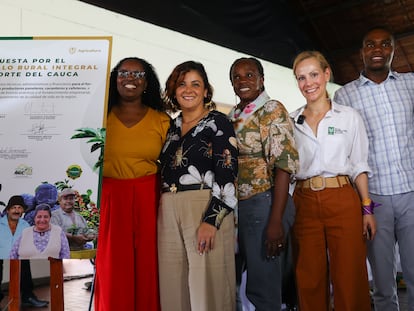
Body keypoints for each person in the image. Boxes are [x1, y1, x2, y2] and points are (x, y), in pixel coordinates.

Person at [334, 26, 414, 311]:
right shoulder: (345, 96)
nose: (377, 49)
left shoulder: (410, 84)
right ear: (362, 52)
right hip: (374, 199)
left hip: (411, 195)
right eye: (370, 45)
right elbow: (344, 150)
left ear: (393, 49)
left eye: (384, 44)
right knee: (382, 282)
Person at [290, 50, 376, 311]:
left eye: (314, 74)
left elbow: (360, 165)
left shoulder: (349, 116)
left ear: (326, 75)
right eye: (301, 78)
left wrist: (367, 209)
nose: (309, 83)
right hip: (304, 201)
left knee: (349, 274)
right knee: (309, 276)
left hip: (342, 197)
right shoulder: (291, 121)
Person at [158, 60, 238, 311]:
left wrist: (211, 220)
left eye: (196, 84)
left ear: (205, 91)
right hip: (168, 208)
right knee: (172, 284)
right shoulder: (170, 127)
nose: (188, 89)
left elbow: (228, 174)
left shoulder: (218, 122)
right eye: (181, 84)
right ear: (173, 90)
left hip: (203, 205)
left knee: (208, 285)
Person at [94, 57, 170, 311]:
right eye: (124, 73)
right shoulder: (98, 117)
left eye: (138, 74)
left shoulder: (162, 121)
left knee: (150, 265)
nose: (130, 79)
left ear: (147, 83)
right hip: (110, 197)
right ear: (115, 79)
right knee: (113, 265)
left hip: (150, 197)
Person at [228, 57, 299, 311]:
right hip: (240, 207)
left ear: (261, 79)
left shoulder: (271, 109)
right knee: (236, 285)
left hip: (266, 202)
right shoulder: (234, 115)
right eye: (236, 76)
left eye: (249, 75)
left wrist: (275, 220)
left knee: (263, 288)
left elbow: (283, 165)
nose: (243, 80)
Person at [0, 195, 48, 307]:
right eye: (13, 207)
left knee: (24, 261)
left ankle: (28, 297)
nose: (16, 210)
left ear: (23, 211)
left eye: (19, 208)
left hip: (18, 255)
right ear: (8, 210)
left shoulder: (25, 225)